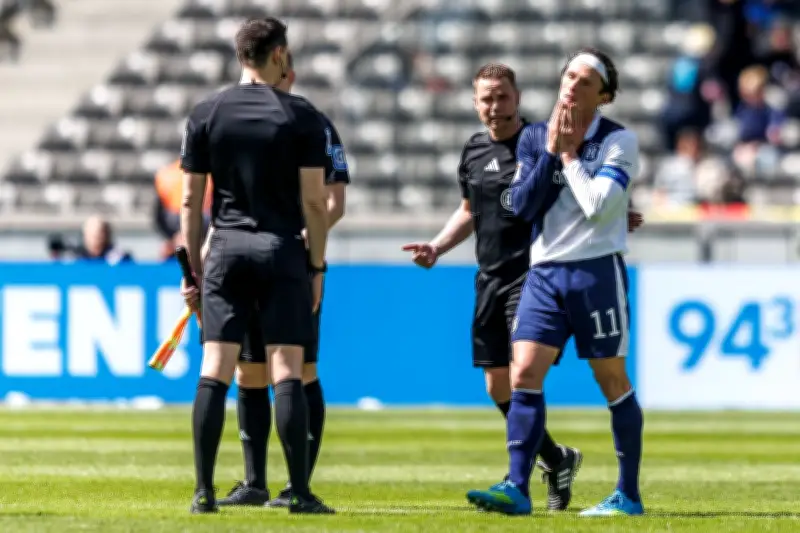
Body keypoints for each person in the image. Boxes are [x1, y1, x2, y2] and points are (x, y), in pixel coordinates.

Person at [402, 63, 643, 512]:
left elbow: (594, 205)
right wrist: (554, 153)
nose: (572, 85)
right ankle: (523, 483)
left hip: (569, 273)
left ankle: (627, 493)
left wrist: (579, 170)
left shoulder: (617, 139)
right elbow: (518, 204)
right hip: (527, 274)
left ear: (603, 95)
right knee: (512, 380)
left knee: (608, 379)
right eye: (569, 76)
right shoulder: (529, 140)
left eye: (585, 80)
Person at [179, 17, 333, 515]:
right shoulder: (301, 115)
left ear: (240, 54)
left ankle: (203, 492)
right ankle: (300, 492)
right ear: (280, 55)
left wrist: (192, 272)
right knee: (286, 369)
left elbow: (190, 202)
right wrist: (316, 267)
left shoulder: (206, 112)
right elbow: (315, 203)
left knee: (215, 369)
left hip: (225, 248)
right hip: (281, 248)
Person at [206, 50, 349, 509]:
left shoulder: (314, 124)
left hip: (293, 260)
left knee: (300, 369)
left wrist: (306, 246)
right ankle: (255, 483)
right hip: (245, 259)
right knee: (249, 371)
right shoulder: (239, 126)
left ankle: (297, 483)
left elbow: (333, 200)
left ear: (288, 74)